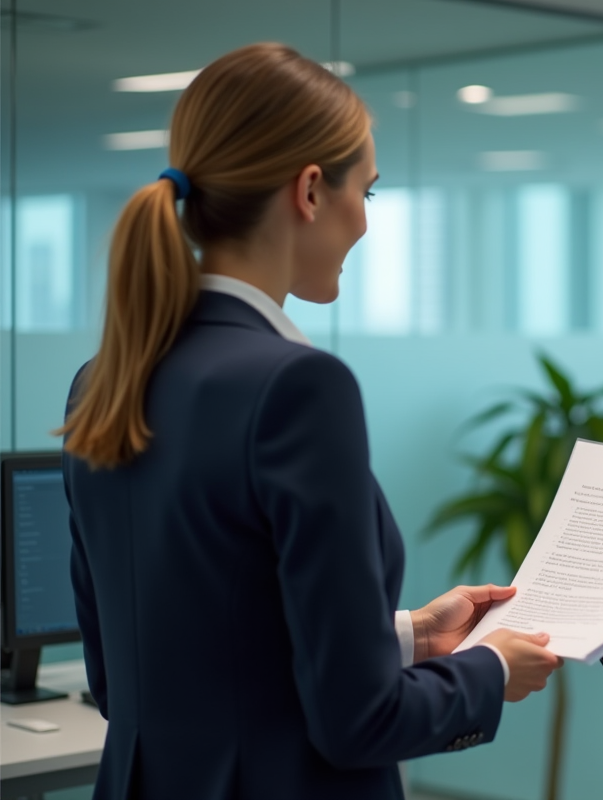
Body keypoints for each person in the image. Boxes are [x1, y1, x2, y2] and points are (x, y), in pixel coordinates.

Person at [59, 43, 560, 800]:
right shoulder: (297, 386)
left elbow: (139, 671)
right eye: (369, 190)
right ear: (311, 190)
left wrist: (409, 636)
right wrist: (489, 671)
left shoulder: (103, 380)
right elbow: (358, 722)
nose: (365, 221)